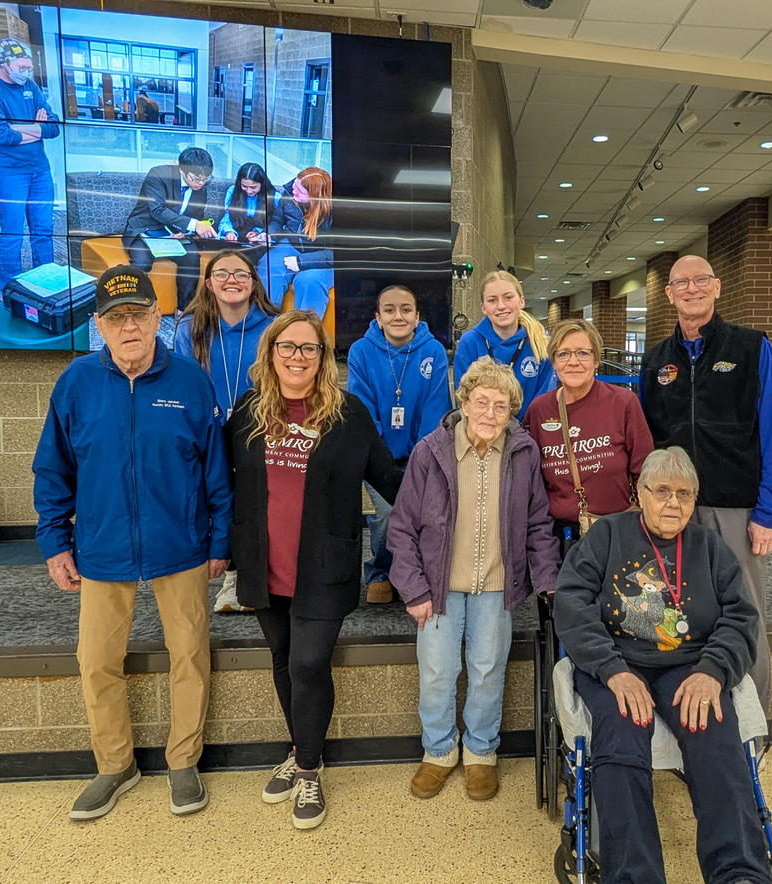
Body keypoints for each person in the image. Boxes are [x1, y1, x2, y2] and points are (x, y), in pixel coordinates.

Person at [32, 265, 232, 821]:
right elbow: (53, 469)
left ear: (157, 317)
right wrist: (54, 541)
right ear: (98, 325)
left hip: (181, 545)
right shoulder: (75, 383)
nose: (129, 328)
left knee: (189, 655)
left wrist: (220, 540)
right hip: (102, 547)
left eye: (138, 315)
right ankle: (115, 766)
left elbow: (217, 471)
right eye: (116, 318)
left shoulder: (190, 382)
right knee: (97, 660)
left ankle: (184, 762)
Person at [553, 446, 768, 884]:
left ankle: (740, 872)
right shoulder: (607, 535)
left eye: (684, 494)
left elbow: (741, 617)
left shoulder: (710, 546)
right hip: (617, 664)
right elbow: (572, 605)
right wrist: (612, 670)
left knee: (714, 737)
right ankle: (634, 876)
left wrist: (713, 670)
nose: (673, 503)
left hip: (690, 666)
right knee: (621, 738)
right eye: (662, 491)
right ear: (640, 493)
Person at [225, 310, 401, 830]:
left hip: (324, 566)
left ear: (323, 357)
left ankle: (307, 769)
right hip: (262, 563)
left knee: (307, 663)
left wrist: (451, 470)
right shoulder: (247, 412)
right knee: (283, 660)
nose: (297, 356)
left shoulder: (348, 414)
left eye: (309, 347)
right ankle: (303, 748)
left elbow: (390, 478)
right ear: (271, 352)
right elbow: (225, 483)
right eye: (288, 346)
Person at [387, 357, 559, 802]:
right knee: (437, 671)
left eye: (500, 406)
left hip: (497, 586)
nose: (489, 413)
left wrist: (548, 580)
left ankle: (481, 752)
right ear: (463, 403)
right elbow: (401, 527)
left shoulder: (523, 453)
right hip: (438, 587)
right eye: (481, 402)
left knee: (487, 670)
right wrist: (414, 589)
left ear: (510, 412)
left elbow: (538, 523)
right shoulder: (430, 451)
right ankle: (439, 751)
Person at [638, 255, 772, 716]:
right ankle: (694, 721)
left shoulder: (751, 348)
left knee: (744, 614)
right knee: (677, 614)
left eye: (700, 280)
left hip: (736, 508)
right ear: (669, 294)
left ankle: (752, 726)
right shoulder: (655, 361)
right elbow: (647, 439)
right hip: (672, 509)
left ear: (717, 287)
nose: (692, 289)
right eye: (681, 283)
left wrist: (769, 511)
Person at [174, 249, 279, 613]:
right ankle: (233, 578)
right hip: (211, 431)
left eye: (241, 274)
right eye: (222, 273)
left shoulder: (274, 326)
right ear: (208, 283)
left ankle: (265, 576)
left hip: (264, 429)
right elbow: (187, 387)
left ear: (253, 283)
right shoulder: (189, 329)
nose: (231, 280)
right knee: (223, 503)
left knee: (262, 504)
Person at [346, 285, 451, 604]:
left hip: (423, 453)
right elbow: (361, 407)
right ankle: (381, 573)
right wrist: (381, 459)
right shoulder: (361, 351)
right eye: (389, 310)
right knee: (387, 515)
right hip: (377, 455)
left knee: (425, 515)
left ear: (417, 317)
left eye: (406, 309)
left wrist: (421, 459)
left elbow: (436, 408)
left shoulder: (433, 351)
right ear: (378, 318)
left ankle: (416, 574)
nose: (398, 316)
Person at [525, 318, 653, 549]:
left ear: (596, 360)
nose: (573, 362)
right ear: (553, 361)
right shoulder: (539, 410)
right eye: (563, 354)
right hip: (560, 538)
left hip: (617, 534)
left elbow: (645, 472)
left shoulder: (623, 403)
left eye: (583, 353)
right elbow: (531, 480)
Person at [0, 38, 61, 289]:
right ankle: (9, 288)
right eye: (22, 67)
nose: (27, 72)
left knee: (43, 230)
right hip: (8, 173)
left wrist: (18, 128)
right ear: (3, 64)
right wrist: (35, 127)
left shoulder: (30, 85)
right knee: (12, 233)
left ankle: (46, 284)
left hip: (39, 169)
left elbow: (53, 127)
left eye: (29, 67)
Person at [122, 147, 219, 312]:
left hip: (174, 232)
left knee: (192, 258)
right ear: (181, 170)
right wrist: (194, 225)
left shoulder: (201, 187)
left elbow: (196, 214)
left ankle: (184, 310)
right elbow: (157, 210)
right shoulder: (158, 175)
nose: (201, 183)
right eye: (197, 179)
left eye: (205, 179)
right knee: (141, 263)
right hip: (145, 228)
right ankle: (136, 309)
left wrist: (186, 231)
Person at [453, 271, 554, 421]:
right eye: (492, 300)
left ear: (521, 301)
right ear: (483, 308)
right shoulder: (470, 342)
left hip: (527, 430)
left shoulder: (539, 343)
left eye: (508, 297)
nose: (501, 306)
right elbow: (463, 399)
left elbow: (544, 400)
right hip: (482, 428)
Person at [256, 167, 333, 317]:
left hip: (324, 256)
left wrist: (301, 262)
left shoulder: (336, 211)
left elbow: (337, 252)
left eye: (300, 191)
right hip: (292, 244)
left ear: (315, 196)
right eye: (295, 186)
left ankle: (304, 328)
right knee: (269, 265)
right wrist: (269, 235)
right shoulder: (290, 193)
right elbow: (278, 220)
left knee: (308, 281)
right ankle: (264, 322)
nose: (294, 192)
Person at [218, 162, 274, 265]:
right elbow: (226, 217)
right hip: (237, 236)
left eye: (253, 187)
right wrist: (229, 232)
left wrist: (259, 233)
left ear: (262, 184)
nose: (248, 191)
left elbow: (275, 224)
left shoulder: (274, 197)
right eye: (244, 186)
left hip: (258, 242)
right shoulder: (232, 191)